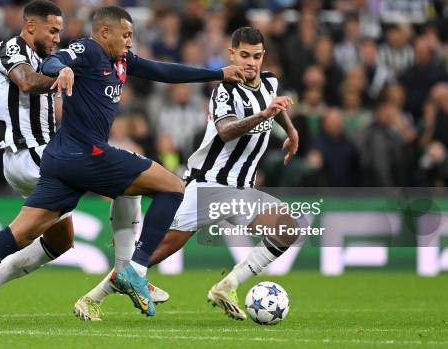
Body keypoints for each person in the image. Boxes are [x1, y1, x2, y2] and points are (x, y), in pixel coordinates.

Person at [0, 5, 245, 323]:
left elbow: (161, 70)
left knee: (24, 235)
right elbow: (54, 60)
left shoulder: (120, 60)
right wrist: (60, 68)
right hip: (70, 153)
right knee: (171, 186)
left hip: (58, 158)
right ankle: (133, 269)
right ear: (105, 32)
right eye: (127, 35)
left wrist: (217, 73)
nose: (131, 41)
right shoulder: (87, 49)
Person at [79, 27, 301, 320]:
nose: (251, 62)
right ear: (231, 54)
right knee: (149, 256)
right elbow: (225, 130)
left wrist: (291, 131)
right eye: (244, 55)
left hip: (242, 190)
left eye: (257, 56)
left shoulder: (270, 81)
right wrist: (262, 116)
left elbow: (275, 103)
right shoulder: (225, 90)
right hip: (207, 186)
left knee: (287, 228)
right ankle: (91, 299)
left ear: (264, 57)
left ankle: (227, 285)